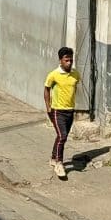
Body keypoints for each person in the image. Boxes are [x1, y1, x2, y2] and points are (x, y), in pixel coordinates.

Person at [44, 47, 80, 178]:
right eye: (66, 60)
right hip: (57, 111)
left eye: (71, 60)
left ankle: (53, 158)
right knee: (62, 136)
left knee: (61, 137)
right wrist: (48, 107)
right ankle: (59, 164)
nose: (69, 63)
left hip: (70, 111)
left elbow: (74, 88)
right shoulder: (54, 75)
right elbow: (47, 89)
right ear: (60, 61)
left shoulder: (75, 74)